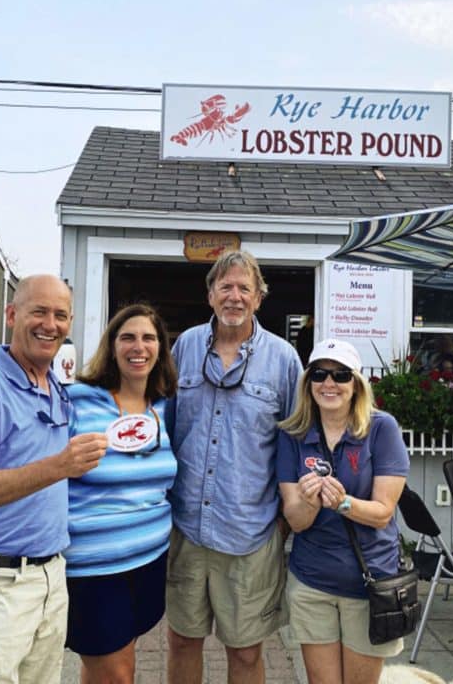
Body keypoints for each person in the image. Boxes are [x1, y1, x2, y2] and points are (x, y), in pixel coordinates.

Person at [0, 274, 108, 684]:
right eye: (39, 312)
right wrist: (60, 465)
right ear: (12, 315)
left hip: (49, 578)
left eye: (60, 315)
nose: (50, 324)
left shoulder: (54, 384)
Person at [166, 250, 303, 684]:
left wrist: (283, 521)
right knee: (182, 642)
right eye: (225, 286)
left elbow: (297, 442)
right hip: (186, 527)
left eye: (245, 288)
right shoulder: (184, 347)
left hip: (250, 533)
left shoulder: (283, 360)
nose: (235, 296)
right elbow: (163, 430)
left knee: (245, 654)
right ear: (210, 295)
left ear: (259, 299)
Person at [277, 338, 410, 684]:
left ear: (356, 384)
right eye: (319, 374)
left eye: (340, 375)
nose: (329, 383)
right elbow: (296, 521)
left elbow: (383, 512)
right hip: (312, 582)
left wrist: (343, 503)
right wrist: (308, 502)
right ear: (308, 383)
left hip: (370, 584)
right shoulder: (293, 435)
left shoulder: (382, 428)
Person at [64, 303, 179, 683]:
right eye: (127, 337)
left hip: (148, 562)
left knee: (109, 662)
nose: (138, 347)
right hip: (95, 567)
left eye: (149, 338)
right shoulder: (78, 399)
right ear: (111, 346)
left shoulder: (162, 408)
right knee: (117, 672)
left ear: (161, 348)